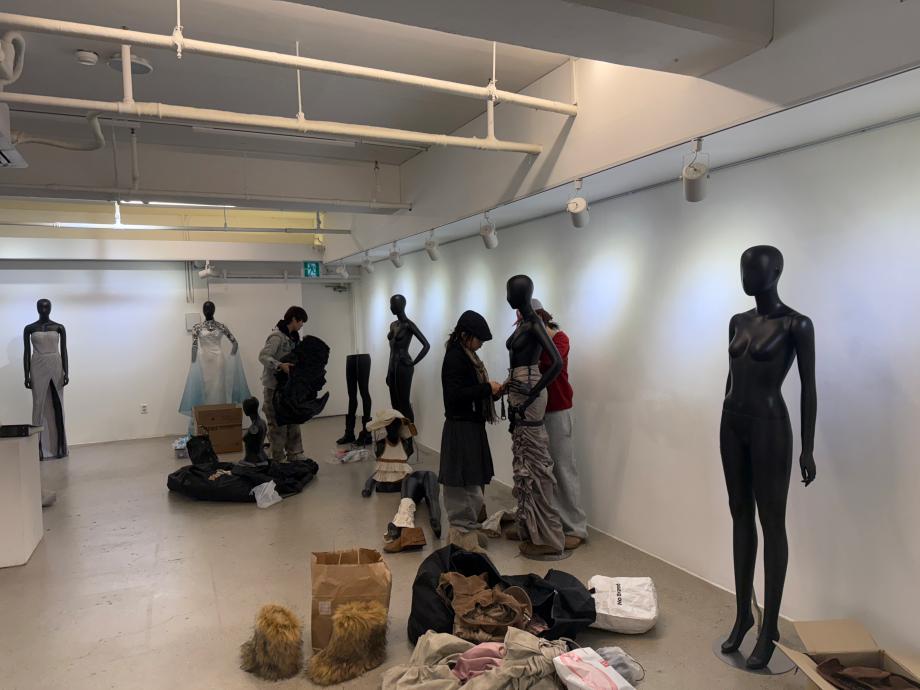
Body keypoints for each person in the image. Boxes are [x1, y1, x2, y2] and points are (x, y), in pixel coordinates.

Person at [439, 310, 503, 553]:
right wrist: (486, 388)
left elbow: (470, 391)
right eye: (479, 339)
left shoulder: (468, 356)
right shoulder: (455, 358)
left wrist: (492, 392)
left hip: (471, 426)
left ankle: (469, 530)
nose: (481, 344)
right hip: (460, 427)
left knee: (473, 481)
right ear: (465, 335)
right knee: (461, 485)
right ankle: (461, 535)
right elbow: (454, 397)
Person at [531, 299, 588, 550]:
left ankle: (575, 527)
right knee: (539, 470)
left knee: (563, 468)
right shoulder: (533, 340)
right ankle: (543, 523)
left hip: (557, 411)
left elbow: (550, 363)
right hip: (536, 412)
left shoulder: (560, 339)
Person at [258, 306, 308, 463]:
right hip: (274, 389)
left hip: (289, 389)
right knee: (277, 424)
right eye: (301, 321)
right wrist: (280, 365)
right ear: (293, 319)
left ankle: (295, 453)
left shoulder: (294, 339)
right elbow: (263, 356)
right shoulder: (276, 337)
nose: (302, 325)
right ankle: (277, 457)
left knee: (293, 420)